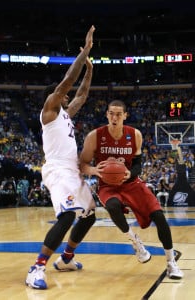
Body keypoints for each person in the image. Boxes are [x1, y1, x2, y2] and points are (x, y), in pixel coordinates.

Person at [79, 100, 183, 279]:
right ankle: (135, 243)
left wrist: (130, 174)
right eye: (111, 113)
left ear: (125, 116)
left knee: (159, 216)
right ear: (106, 115)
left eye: (119, 114)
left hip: (131, 183)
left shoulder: (134, 135)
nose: (114, 117)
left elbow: (137, 165)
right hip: (108, 185)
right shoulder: (94, 136)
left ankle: (171, 262)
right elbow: (82, 165)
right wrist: (95, 170)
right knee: (112, 206)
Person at [26, 25, 96, 289]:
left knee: (89, 214)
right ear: (52, 97)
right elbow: (68, 81)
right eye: (61, 94)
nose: (67, 95)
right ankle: (36, 268)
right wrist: (86, 50)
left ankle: (66, 258)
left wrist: (90, 69)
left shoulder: (65, 113)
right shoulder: (49, 112)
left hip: (72, 171)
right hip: (57, 170)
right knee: (67, 217)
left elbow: (82, 94)